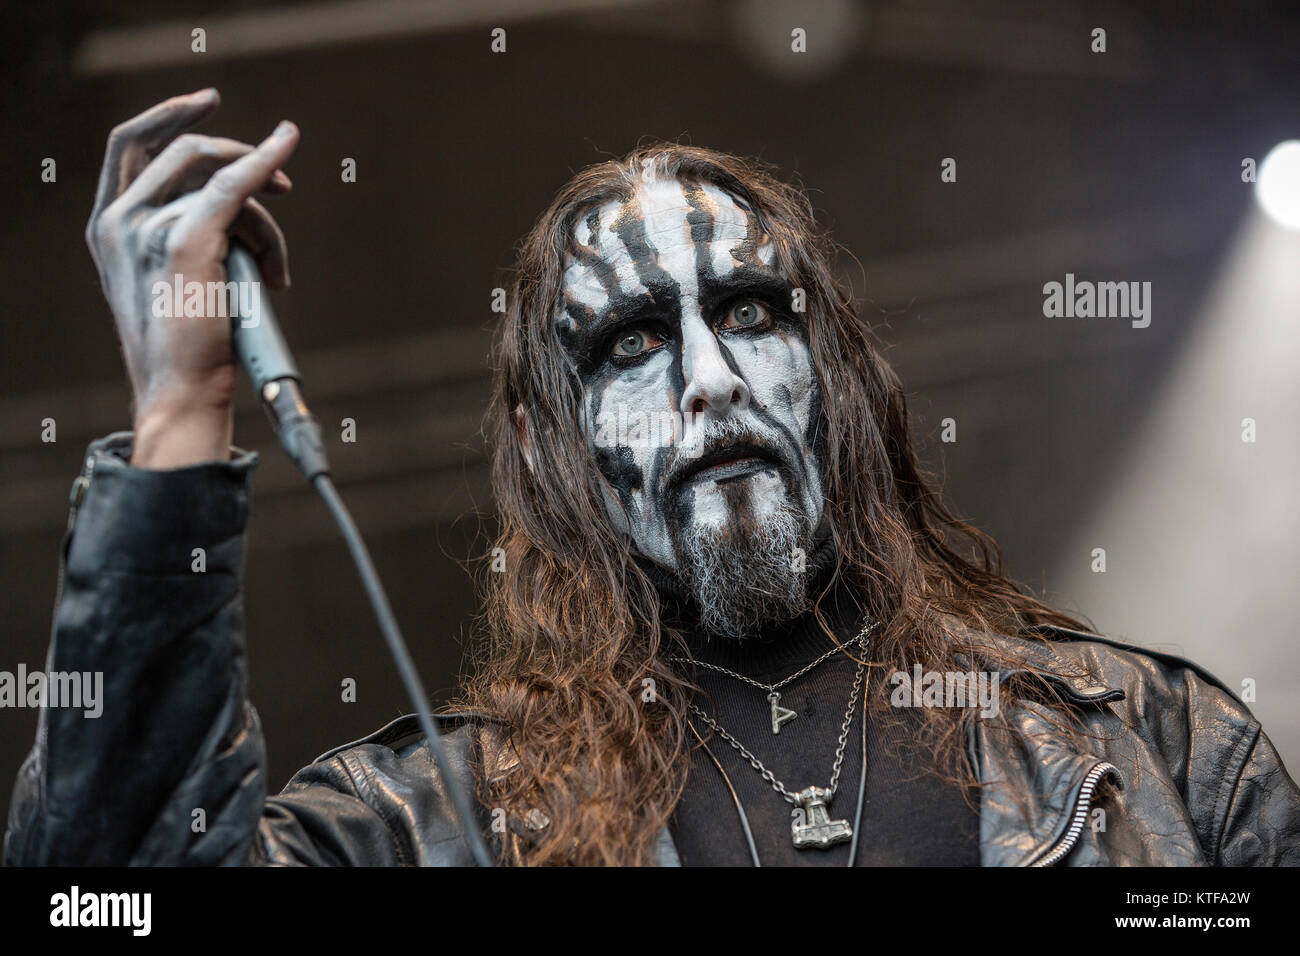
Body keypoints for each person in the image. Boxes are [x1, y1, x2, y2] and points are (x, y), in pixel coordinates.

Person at [6, 89, 1298, 867]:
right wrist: (178, 416)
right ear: (544, 456)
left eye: (748, 313)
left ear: (837, 381)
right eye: (631, 343)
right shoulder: (433, 828)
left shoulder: (1159, 757)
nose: (709, 380)